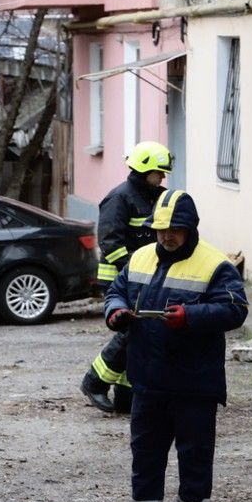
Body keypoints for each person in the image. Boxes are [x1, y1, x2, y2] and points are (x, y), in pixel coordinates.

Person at [101, 189, 248, 502]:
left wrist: (190, 316)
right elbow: (115, 291)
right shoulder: (140, 258)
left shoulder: (215, 265)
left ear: (190, 228)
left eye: (174, 229)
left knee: (193, 458)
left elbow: (235, 309)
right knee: (146, 456)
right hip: (148, 381)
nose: (166, 236)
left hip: (194, 383)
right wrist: (115, 312)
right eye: (160, 229)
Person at [80, 141, 173, 414]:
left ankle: (126, 393)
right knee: (132, 331)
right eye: (159, 172)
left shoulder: (154, 196)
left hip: (143, 278)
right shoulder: (119, 198)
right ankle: (95, 381)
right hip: (120, 279)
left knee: (138, 334)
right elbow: (110, 242)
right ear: (143, 170)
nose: (162, 177)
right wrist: (134, 271)